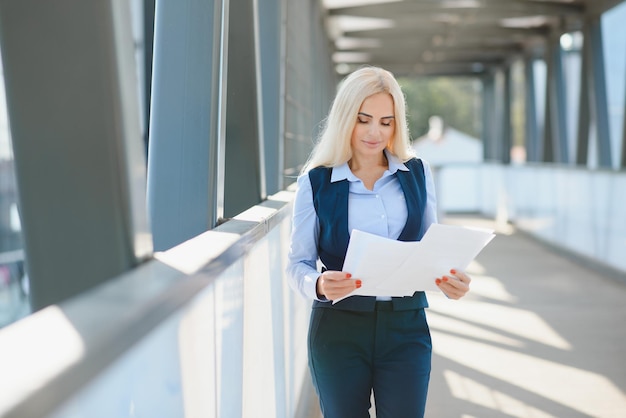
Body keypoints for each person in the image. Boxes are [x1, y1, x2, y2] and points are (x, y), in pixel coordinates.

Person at [286, 66, 472, 418]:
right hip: (339, 329)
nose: (375, 132)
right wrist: (319, 284)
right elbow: (297, 264)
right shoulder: (316, 183)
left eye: (386, 122)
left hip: (406, 328)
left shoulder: (418, 174)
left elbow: (434, 249)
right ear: (345, 119)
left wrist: (452, 280)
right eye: (364, 119)